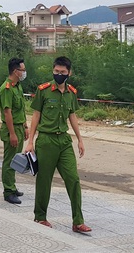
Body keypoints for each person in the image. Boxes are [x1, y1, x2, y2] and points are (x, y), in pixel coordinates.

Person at [24, 56, 91, 233]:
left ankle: (78, 221)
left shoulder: (72, 92)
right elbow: (36, 116)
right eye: (56, 72)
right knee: (44, 180)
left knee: (73, 179)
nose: (59, 75)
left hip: (64, 141)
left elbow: (72, 116)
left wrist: (80, 139)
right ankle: (40, 217)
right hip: (46, 140)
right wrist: (30, 141)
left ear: (69, 73)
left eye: (62, 72)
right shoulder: (43, 90)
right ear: (53, 70)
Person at [0, 57, 28, 204]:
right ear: (16, 71)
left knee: (16, 160)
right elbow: (7, 113)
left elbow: (20, 109)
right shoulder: (7, 88)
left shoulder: (17, 86)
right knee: (9, 161)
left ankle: (12, 186)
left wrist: (25, 126)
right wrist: (12, 133)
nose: (24, 72)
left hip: (19, 127)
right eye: (22, 70)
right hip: (12, 129)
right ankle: (8, 191)